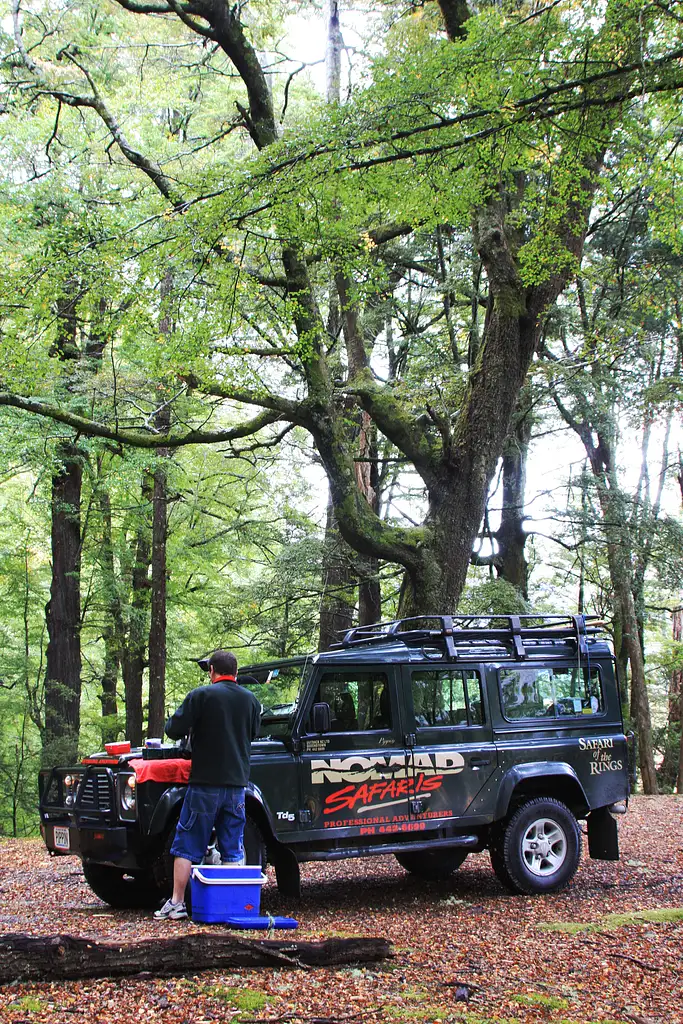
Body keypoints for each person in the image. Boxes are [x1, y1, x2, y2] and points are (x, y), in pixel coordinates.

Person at [154, 650, 261, 920]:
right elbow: (254, 732)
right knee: (233, 845)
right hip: (237, 785)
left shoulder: (201, 696)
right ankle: (232, 905)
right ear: (235, 672)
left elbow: (172, 729)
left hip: (204, 784)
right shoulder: (251, 701)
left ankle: (177, 902)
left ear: (212, 670)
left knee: (186, 843)